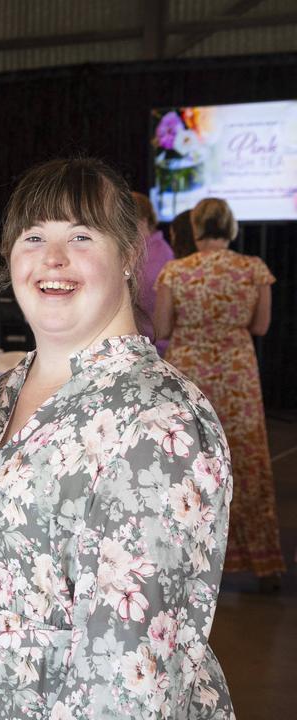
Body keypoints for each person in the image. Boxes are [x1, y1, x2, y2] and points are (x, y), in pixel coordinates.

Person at [0, 159, 234, 718]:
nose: (53, 258)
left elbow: (131, 668)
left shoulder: (159, 418)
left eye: (81, 236)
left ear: (129, 256)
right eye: (34, 236)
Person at [155, 197, 284, 588]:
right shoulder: (253, 270)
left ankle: (183, 562)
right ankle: (264, 564)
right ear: (230, 227)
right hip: (237, 374)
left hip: (190, 375)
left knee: (188, 465)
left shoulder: (176, 272)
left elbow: (161, 328)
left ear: (195, 228)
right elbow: (260, 326)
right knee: (246, 461)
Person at [131, 192, 174, 355]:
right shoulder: (146, 250)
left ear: (143, 221)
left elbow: (138, 297)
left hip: (152, 348)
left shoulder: (158, 254)